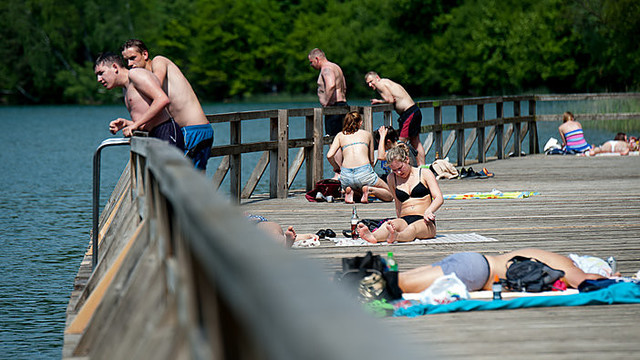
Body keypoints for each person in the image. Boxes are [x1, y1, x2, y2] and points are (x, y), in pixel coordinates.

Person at [121, 39, 213, 171]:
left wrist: (132, 82)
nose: (130, 64)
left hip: (191, 131)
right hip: (198, 130)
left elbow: (156, 86)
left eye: (133, 58)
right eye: (126, 61)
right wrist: (130, 123)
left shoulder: (159, 61)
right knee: (194, 184)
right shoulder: (147, 77)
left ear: (145, 55)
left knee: (181, 184)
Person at [398, 248, 612, 293]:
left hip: (471, 261)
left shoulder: (551, 257)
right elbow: (586, 281)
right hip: (478, 272)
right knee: (395, 285)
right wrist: (615, 281)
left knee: (397, 280)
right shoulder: (566, 266)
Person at [94, 52, 185, 150]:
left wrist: (135, 125)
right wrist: (127, 123)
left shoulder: (135, 74)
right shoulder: (125, 88)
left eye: (101, 73)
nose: (99, 79)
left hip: (166, 131)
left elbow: (162, 99)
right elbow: (146, 118)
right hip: (153, 135)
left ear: (115, 67)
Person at [357, 144, 443, 243]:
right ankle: (372, 236)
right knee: (388, 225)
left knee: (412, 229)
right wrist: (397, 221)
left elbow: (439, 198)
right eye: (394, 170)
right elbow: (398, 203)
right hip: (404, 219)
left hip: (424, 220)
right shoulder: (391, 178)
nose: (398, 173)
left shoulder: (424, 173)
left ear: (407, 160)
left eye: (400, 168)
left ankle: (397, 236)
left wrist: (429, 211)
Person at [327, 112, 392, 203]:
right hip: (364, 172)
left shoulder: (340, 135)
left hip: (346, 175)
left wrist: (337, 167)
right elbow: (372, 160)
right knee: (389, 194)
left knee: (358, 191)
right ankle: (369, 190)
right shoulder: (367, 134)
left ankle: (350, 191)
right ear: (360, 123)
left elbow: (329, 155)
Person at [365, 71, 425, 165]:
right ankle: (422, 166)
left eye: (371, 81)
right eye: (368, 83)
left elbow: (390, 100)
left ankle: (400, 167)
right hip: (414, 110)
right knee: (415, 142)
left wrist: (378, 101)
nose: (370, 84)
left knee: (401, 142)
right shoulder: (387, 81)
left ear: (377, 77)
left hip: (409, 113)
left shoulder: (380, 84)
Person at [308, 48, 348, 136]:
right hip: (343, 105)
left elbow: (331, 85)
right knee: (343, 139)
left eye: (311, 62)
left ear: (317, 59)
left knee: (333, 140)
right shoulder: (336, 67)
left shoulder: (326, 69)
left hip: (334, 108)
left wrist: (326, 102)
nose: (311, 65)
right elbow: (344, 87)